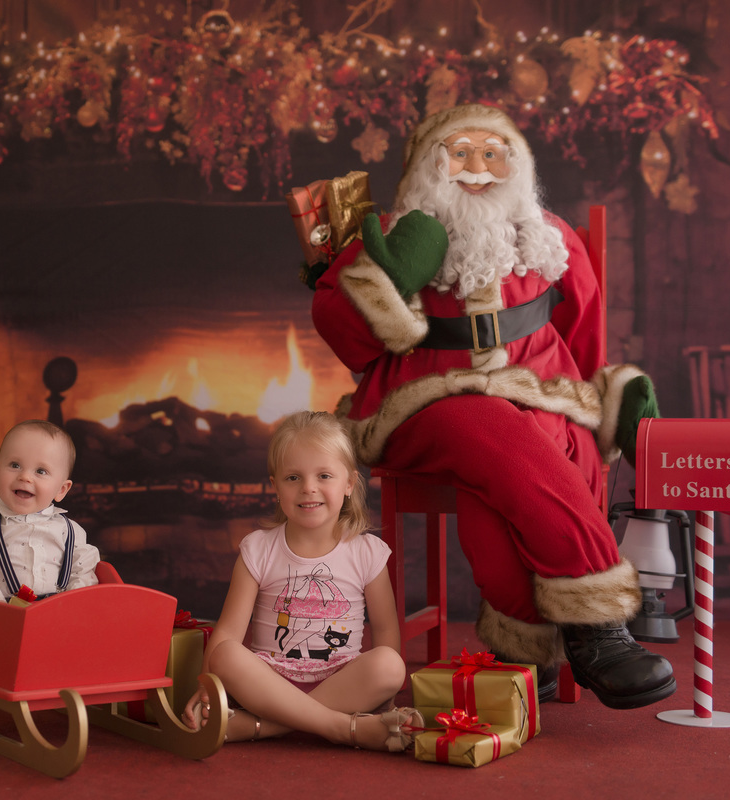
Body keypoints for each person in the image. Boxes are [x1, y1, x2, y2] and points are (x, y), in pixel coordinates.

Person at [311, 103, 676, 710]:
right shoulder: (399, 229)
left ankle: (526, 652)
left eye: (491, 153)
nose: (476, 168)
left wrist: (592, 402)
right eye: (459, 154)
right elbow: (340, 330)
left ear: (517, 165)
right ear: (431, 166)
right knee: (486, 421)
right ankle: (597, 626)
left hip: (533, 396)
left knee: (527, 451)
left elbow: (582, 331)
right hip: (420, 400)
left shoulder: (550, 239)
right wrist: (392, 275)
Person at [183, 411, 421, 751]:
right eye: (293, 478)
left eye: (324, 475)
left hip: (340, 679)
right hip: (269, 683)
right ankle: (343, 728)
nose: (309, 487)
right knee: (225, 655)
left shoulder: (367, 551)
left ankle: (260, 727)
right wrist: (207, 687)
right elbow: (229, 631)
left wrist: (385, 695)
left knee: (389, 665)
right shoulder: (259, 547)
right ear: (275, 487)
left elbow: (385, 632)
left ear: (350, 484)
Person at [0, 419, 100, 602]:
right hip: (3, 617)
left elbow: (84, 574)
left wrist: (68, 607)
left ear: (61, 490)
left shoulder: (71, 532)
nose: (25, 477)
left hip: (58, 615)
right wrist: (3, 612)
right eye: (15, 465)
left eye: (41, 471)